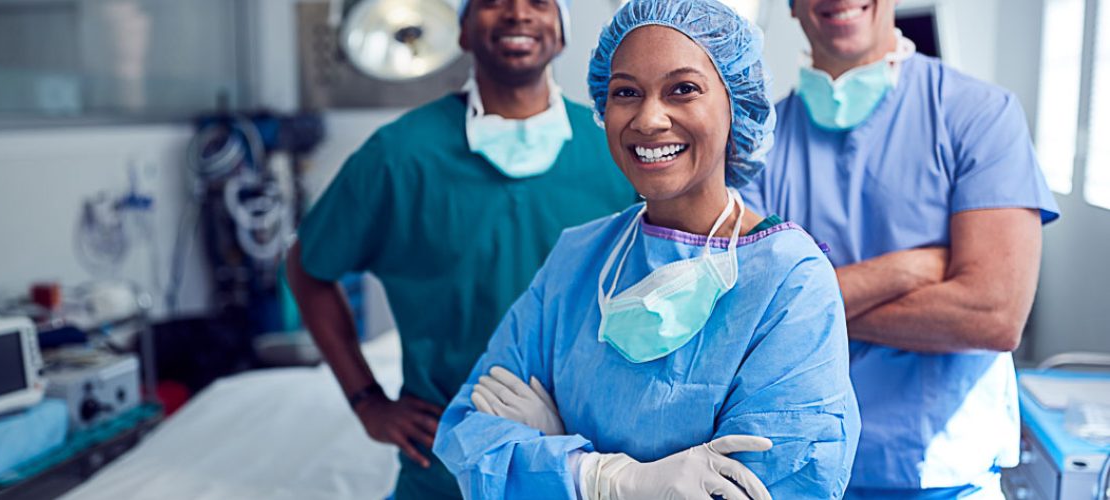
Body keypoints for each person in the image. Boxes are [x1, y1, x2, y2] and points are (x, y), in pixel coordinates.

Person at [433, 1, 860, 498]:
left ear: (735, 103)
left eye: (683, 89)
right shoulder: (579, 259)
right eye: (626, 92)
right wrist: (602, 479)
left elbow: (771, 486)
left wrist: (554, 459)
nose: (649, 118)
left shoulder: (788, 279)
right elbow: (469, 430)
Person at [284, 0, 634, 497]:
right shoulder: (401, 155)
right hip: (445, 473)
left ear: (562, 32)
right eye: (493, 1)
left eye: (539, 1)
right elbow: (307, 265)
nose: (517, 13)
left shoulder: (614, 150)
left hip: (586, 466)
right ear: (463, 30)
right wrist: (367, 401)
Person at [739, 0, 1061, 497]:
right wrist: (909, 269)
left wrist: (804, 306)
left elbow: (994, 315)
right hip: (799, 471)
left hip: (946, 475)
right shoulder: (755, 149)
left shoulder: (979, 115)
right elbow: (746, 316)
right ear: (791, 5)